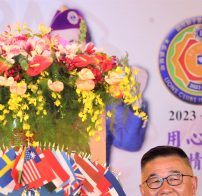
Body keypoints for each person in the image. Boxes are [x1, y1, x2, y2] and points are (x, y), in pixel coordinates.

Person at [47, 6, 148, 161]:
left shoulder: (103, 91)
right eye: (59, 43)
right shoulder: (34, 91)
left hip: (93, 176)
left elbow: (129, 143)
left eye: (74, 42)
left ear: (88, 47)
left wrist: (135, 99)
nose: (66, 49)